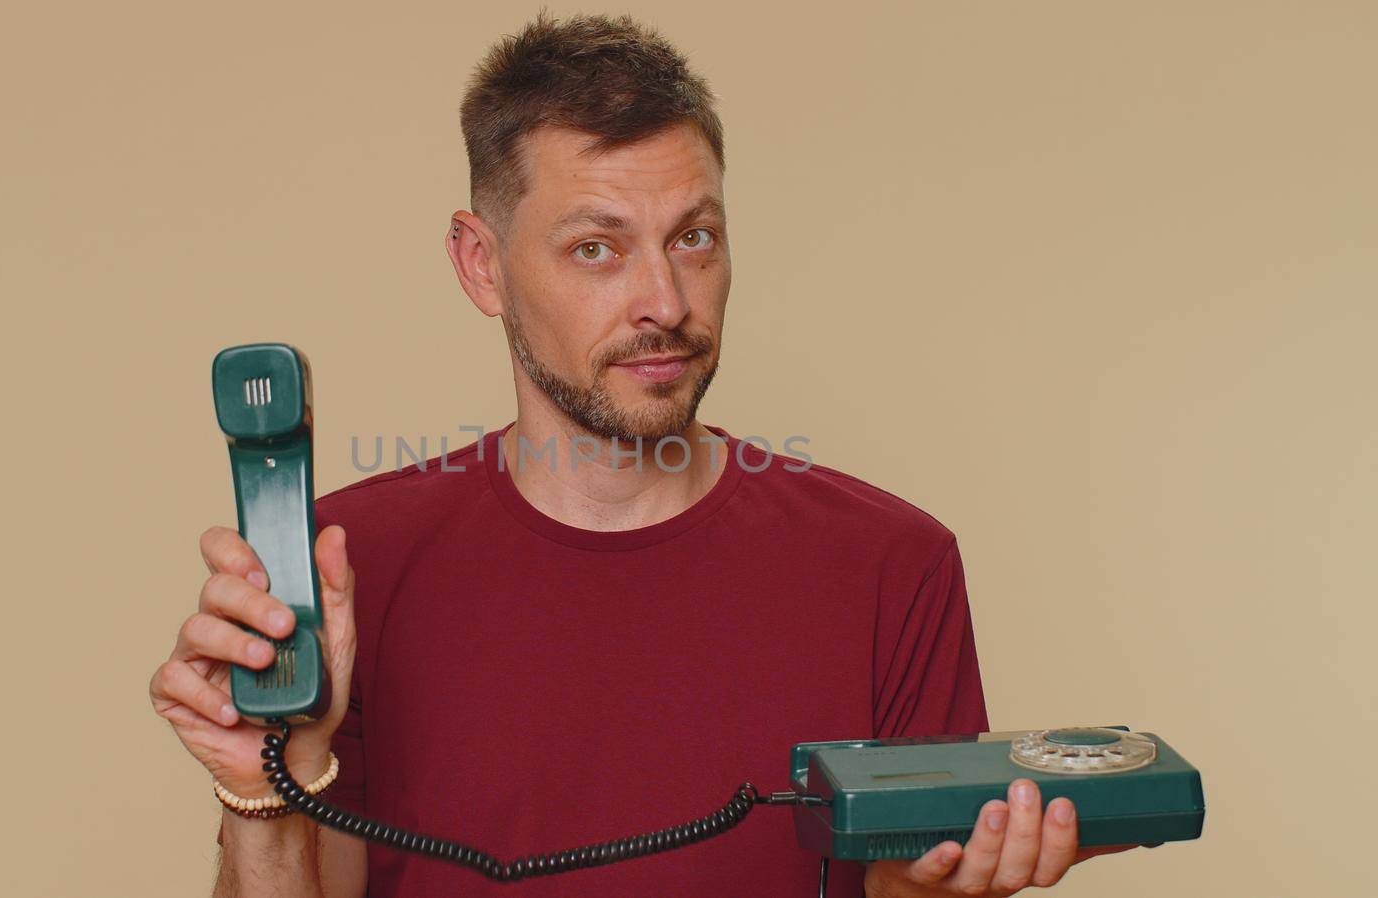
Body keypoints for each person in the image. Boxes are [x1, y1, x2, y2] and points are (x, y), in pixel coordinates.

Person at [150, 11, 1131, 897]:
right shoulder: (344, 566)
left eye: (694, 238)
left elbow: (902, 883)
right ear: (480, 265)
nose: (665, 299)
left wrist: (934, 895)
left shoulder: (893, 562)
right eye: (597, 248)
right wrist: (263, 787)